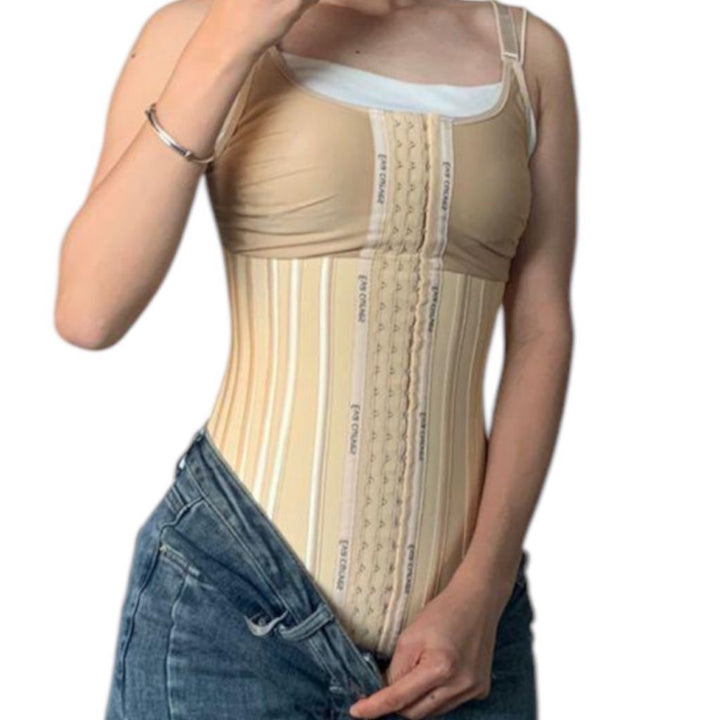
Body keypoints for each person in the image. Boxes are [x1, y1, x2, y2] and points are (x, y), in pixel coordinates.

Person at [54, 0, 577, 718]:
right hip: (227, 619)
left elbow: (542, 329)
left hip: (464, 645)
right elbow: (88, 313)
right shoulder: (196, 28)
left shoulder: (528, 55)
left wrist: (483, 593)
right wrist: (233, 37)